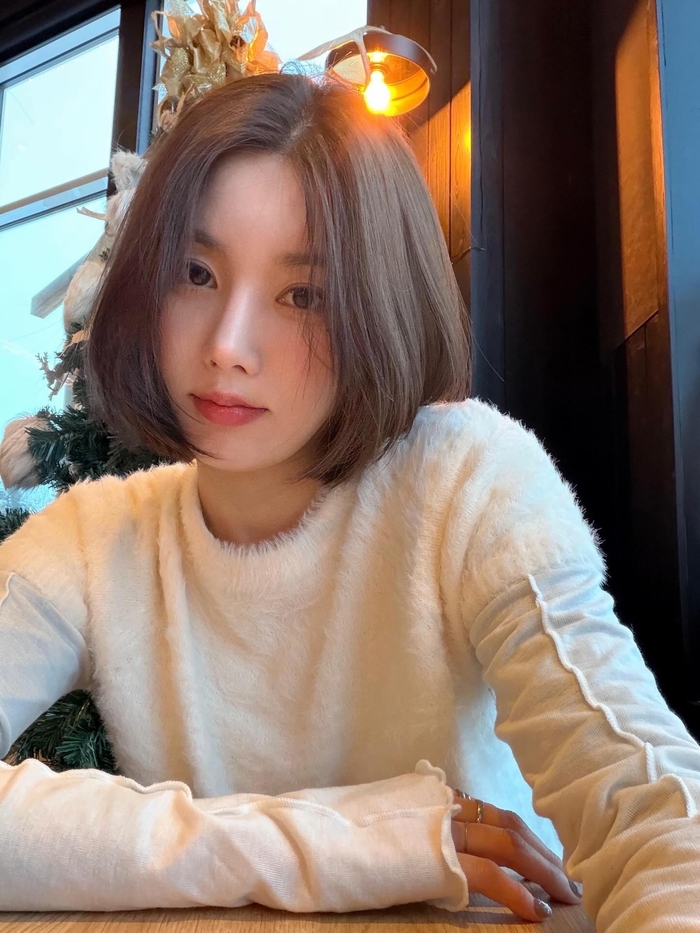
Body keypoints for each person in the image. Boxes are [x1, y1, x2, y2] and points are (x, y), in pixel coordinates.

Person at [0, 72, 698, 930]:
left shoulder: (466, 481)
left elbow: (650, 803)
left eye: (303, 294)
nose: (228, 346)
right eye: (196, 272)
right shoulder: (92, 540)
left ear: (379, 305)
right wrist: (338, 841)